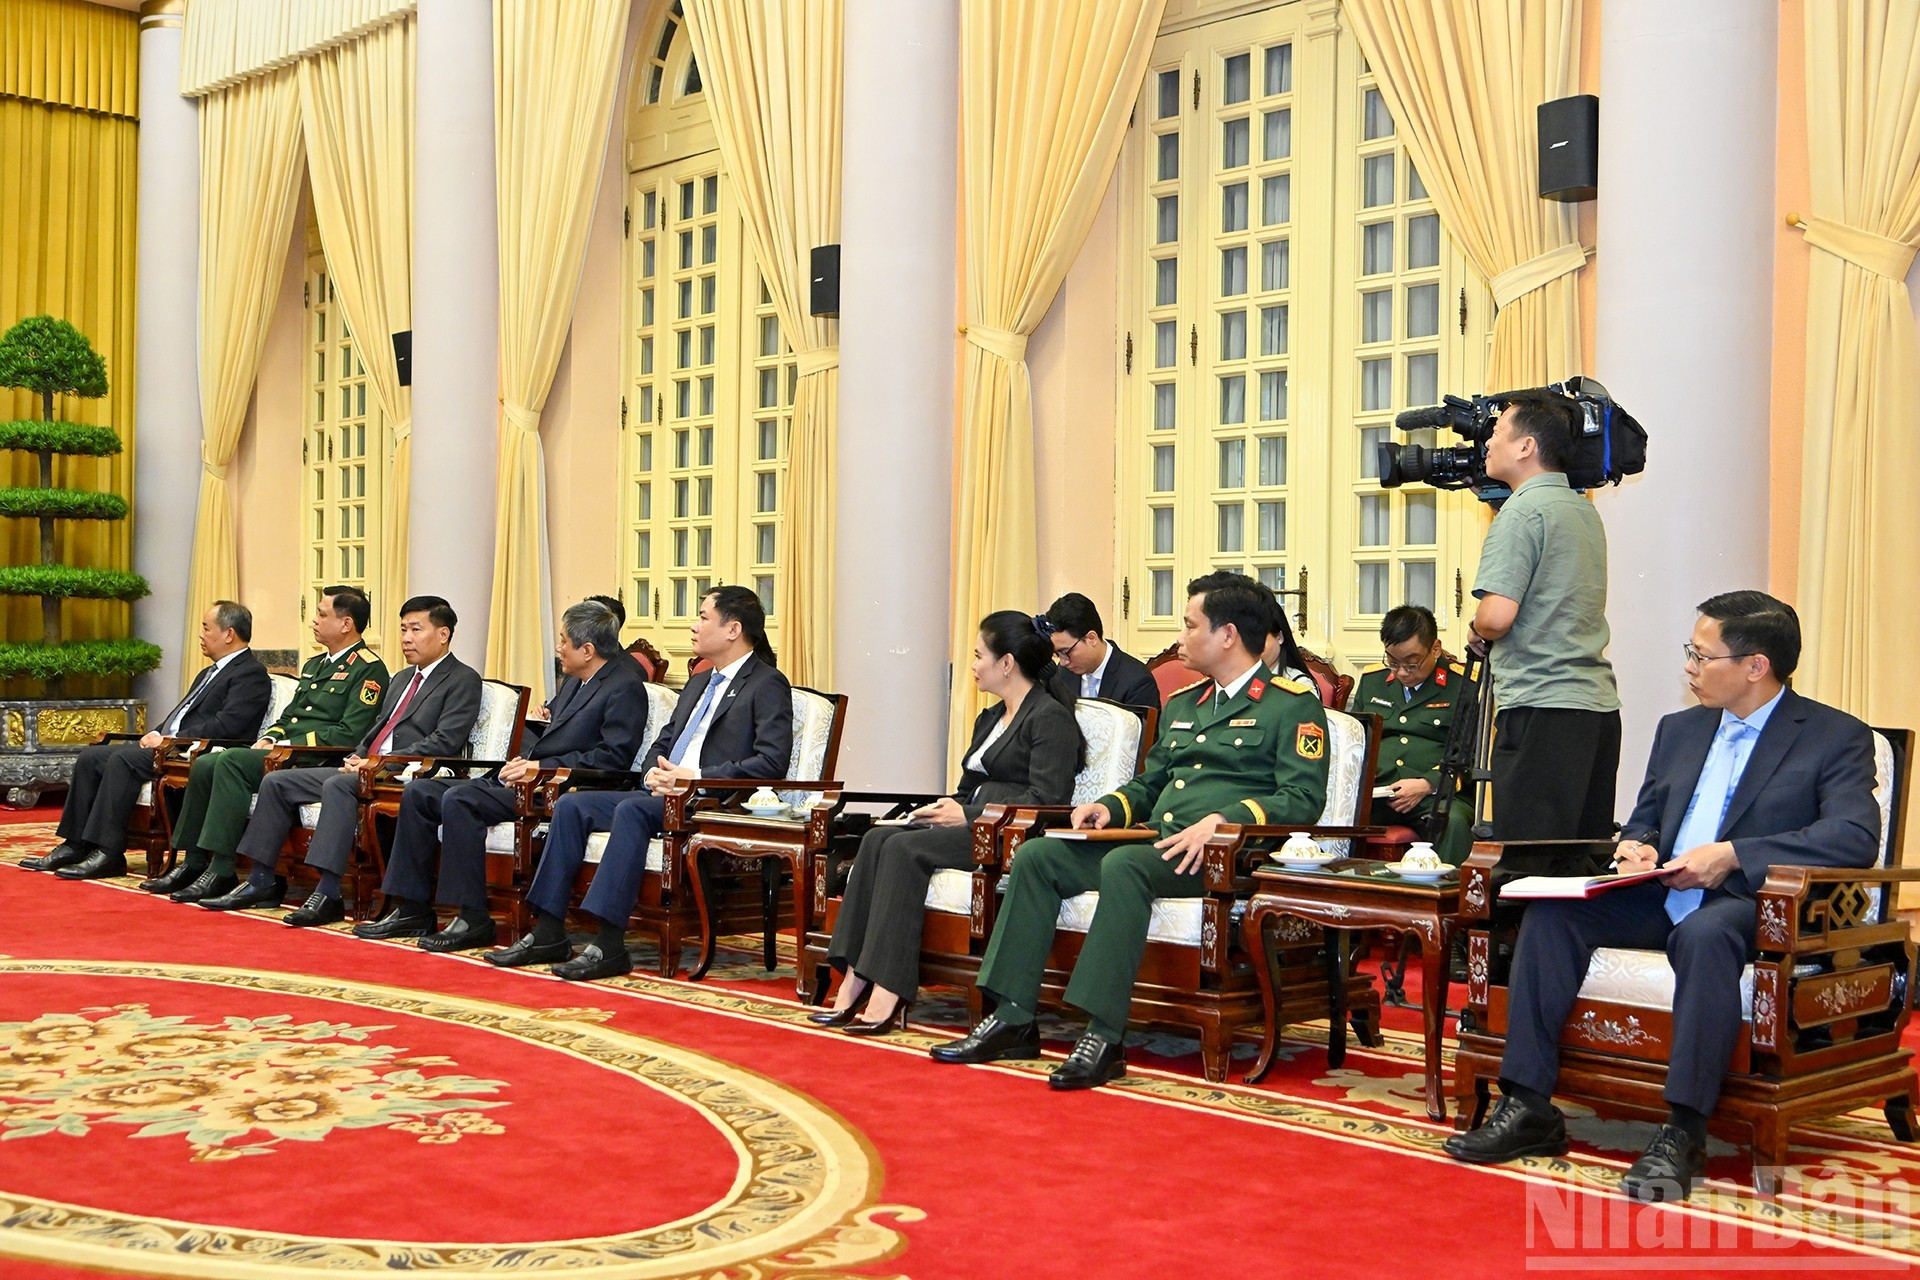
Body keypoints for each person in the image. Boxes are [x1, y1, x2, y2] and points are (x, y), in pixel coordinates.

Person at [1443, 591, 1880, 1202]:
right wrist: (1638, 847)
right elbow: (1647, 817)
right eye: (1690, 653)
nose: (1689, 667)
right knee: (1555, 914)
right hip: (1662, 890)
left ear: (1755, 666)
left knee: (1704, 935)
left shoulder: (1833, 736)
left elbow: (1853, 836)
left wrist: (1733, 855)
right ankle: (1529, 1104)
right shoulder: (1680, 729)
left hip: (1753, 904)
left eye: (1702, 656)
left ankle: (1684, 1129)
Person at [931, 571, 1329, 1089]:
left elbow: (1302, 799)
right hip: (1158, 844)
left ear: (1227, 635)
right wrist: (1108, 807)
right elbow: (1152, 781)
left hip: (1223, 856)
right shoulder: (1186, 703)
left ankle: (1103, 1034)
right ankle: (1012, 1017)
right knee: (1038, 856)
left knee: (1124, 865)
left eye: (1191, 625)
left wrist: (1223, 821)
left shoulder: (1290, 704)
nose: (1181, 636)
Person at [485, 585, 792, 981]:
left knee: (631, 809)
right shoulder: (699, 682)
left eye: (703, 617)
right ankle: (548, 930)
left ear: (733, 630)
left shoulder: (766, 683)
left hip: (709, 800)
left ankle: (609, 944)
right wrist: (652, 772)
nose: (694, 626)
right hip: (661, 791)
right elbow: (665, 740)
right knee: (573, 805)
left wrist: (694, 777)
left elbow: (771, 762)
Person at [819, 612, 1082, 1034]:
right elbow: (967, 790)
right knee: (877, 838)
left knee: (904, 849)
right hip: (969, 824)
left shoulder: (1049, 717)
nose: (973, 665)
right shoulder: (989, 718)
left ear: (1007, 663)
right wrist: (942, 809)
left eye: (979, 656)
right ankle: (854, 976)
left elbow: (1047, 800)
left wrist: (969, 814)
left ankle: (889, 988)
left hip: (1007, 834)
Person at [356, 600, 649, 952]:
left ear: (587, 650)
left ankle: (472, 917)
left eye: (563, 640)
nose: (558, 648)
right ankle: (412, 908)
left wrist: (541, 769)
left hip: (560, 788)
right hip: (527, 777)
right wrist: (523, 762)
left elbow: (613, 758)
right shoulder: (574, 682)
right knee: (421, 793)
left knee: (461, 798)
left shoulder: (624, 686)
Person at [208, 597, 483, 922]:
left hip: (404, 773)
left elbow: (446, 739)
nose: (407, 638)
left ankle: (328, 892)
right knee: (277, 782)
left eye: (416, 630)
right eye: (403, 630)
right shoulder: (401, 679)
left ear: (443, 634)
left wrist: (382, 762)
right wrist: (358, 756)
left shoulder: (462, 679)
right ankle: (261, 880)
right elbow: (377, 729)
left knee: (338, 786)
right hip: (367, 767)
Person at [154, 586, 388, 904]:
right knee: (206, 763)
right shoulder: (315, 665)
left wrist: (287, 745)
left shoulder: (368, 669)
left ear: (346, 624)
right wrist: (270, 737)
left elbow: (350, 733)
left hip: (315, 759)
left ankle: (222, 868)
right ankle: (193, 861)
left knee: (231, 762)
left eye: (322, 614)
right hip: (285, 752)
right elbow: (290, 716)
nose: (314, 620)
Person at [28, 602, 272, 881]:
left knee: (123, 759)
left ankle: (108, 852)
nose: (201, 634)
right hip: (172, 745)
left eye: (207, 628)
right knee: (91, 757)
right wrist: (155, 733)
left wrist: (170, 739)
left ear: (229, 634)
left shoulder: (250, 673)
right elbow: (182, 716)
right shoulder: (208, 672)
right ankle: (74, 844)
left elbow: (228, 725)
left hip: (198, 750)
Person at [1469, 394, 1620, 841]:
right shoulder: (1583, 510)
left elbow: (1496, 618)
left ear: (1526, 446)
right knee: (1580, 855)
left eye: (1498, 433)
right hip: (1595, 709)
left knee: (1530, 859)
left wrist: (1477, 627)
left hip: (1540, 705)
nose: (1488, 444)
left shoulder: (1520, 512)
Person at [1348, 604, 1475, 864]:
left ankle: (1448, 889)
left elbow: (1469, 756)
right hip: (1377, 794)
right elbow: (1354, 741)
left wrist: (1427, 784)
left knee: (1453, 821)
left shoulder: (1464, 686)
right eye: (1393, 662)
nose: (1402, 673)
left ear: (1435, 649)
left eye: (1411, 663)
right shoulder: (1372, 681)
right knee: (1331, 814)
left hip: (1435, 795)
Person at [1041, 592, 1159, 712]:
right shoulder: (1063, 674)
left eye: (1066, 652)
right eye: (1057, 654)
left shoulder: (1137, 681)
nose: (1063, 662)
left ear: (1091, 638)